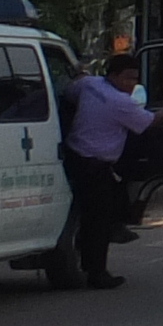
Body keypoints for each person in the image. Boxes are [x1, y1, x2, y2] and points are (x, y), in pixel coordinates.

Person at [60, 50, 154, 290]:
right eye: (127, 78)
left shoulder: (89, 84)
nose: (132, 84)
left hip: (75, 154)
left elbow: (69, 93)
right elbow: (147, 123)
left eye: (135, 79)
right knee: (97, 221)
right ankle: (96, 272)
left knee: (101, 211)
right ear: (113, 75)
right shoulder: (120, 102)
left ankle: (105, 237)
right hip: (94, 165)